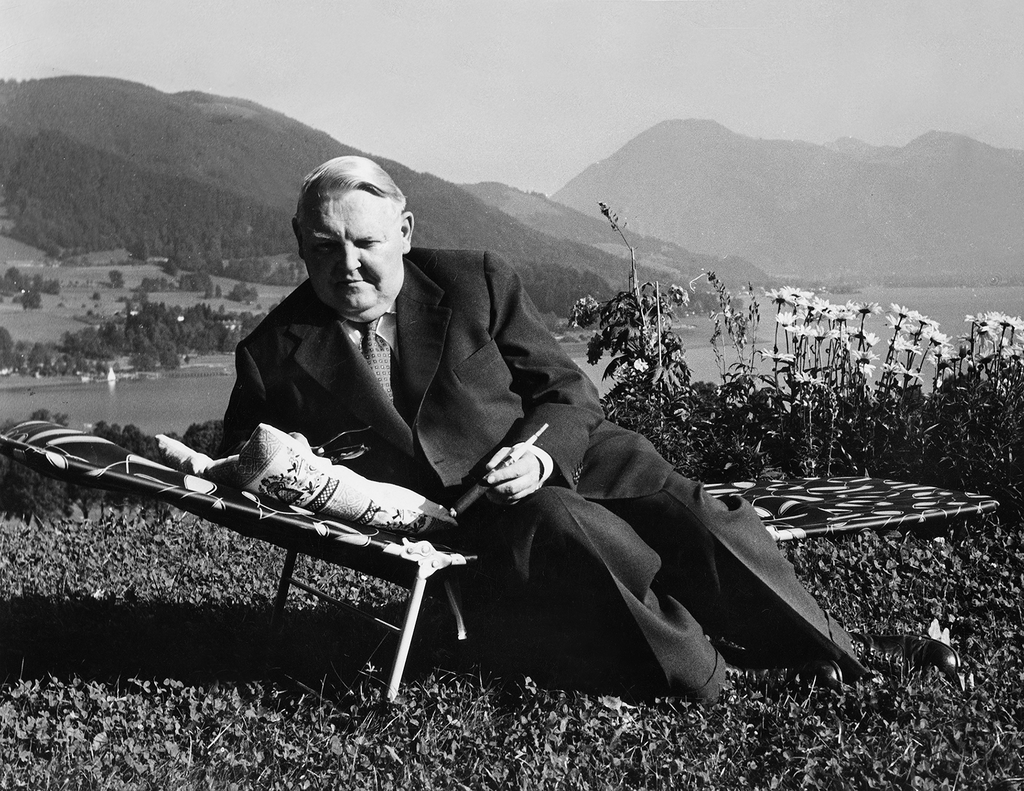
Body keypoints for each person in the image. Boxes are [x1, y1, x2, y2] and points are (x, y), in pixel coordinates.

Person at [219, 155, 957, 701]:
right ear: (300, 241)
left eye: (365, 243)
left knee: (702, 517)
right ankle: (719, 677)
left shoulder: (473, 279)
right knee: (575, 531)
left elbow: (568, 392)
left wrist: (538, 456)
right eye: (325, 245)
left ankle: (843, 654)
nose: (347, 264)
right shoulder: (272, 353)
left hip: (574, 455)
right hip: (478, 514)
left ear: (404, 233)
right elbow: (238, 463)